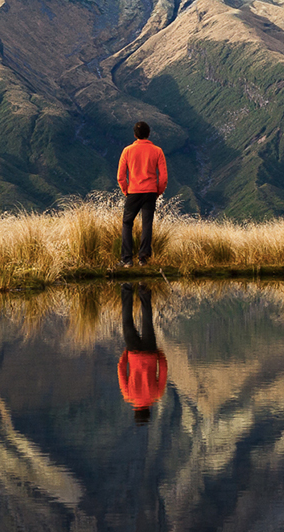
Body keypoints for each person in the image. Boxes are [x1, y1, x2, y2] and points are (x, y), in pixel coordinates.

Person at [115, 121, 167, 266]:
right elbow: (163, 177)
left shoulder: (127, 151)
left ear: (135, 135)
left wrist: (126, 190)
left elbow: (120, 176)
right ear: (149, 134)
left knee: (127, 223)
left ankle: (126, 259)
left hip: (133, 192)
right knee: (147, 224)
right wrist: (158, 191)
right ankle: (143, 258)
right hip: (150, 191)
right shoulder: (157, 151)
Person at [116, 282, 167, 425]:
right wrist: (126, 353)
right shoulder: (128, 396)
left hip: (150, 352)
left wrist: (160, 355)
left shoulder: (156, 395)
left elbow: (163, 370)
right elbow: (121, 371)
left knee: (147, 320)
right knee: (127, 322)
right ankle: (127, 287)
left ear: (148, 410)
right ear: (136, 411)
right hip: (133, 351)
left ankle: (144, 288)